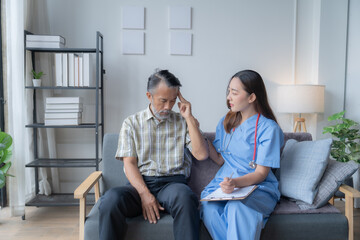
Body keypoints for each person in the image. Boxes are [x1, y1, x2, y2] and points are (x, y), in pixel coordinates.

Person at [98, 69, 208, 240]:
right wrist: (144, 194)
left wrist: (189, 117)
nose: (168, 107)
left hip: (172, 185)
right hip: (139, 184)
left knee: (186, 198)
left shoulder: (182, 122)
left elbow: (201, 155)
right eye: (163, 101)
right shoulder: (131, 123)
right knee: (110, 200)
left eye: (172, 101)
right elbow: (130, 164)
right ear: (149, 96)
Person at [200, 70, 284, 240]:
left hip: (257, 187)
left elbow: (261, 173)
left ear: (251, 97)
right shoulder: (226, 122)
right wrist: (197, 132)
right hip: (223, 185)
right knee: (209, 207)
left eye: (234, 92)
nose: (228, 97)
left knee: (236, 207)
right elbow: (220, 158)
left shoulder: (269, 129)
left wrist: (236, 183)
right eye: (228, 91)